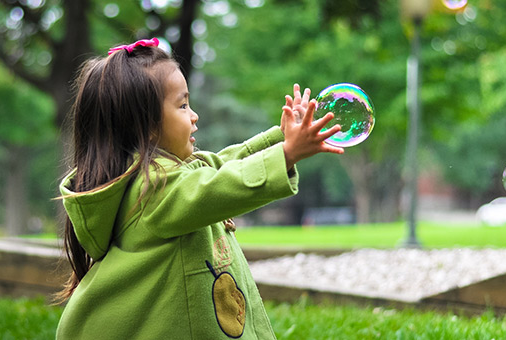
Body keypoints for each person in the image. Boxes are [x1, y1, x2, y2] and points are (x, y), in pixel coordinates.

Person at [55, 37, 344, 340]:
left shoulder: (168, 175)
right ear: (148, 125)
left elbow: (220, 165)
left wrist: (281, 140)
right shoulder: (152, 191)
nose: (194, 116)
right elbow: (218, 185)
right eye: (182, 105)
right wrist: (285, 155)